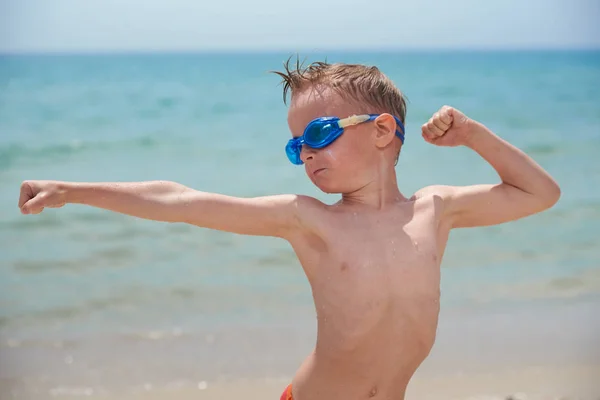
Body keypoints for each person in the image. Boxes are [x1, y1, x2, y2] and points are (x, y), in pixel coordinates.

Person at [18, 59, 561, 400]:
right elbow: (180, 200)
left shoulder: (436, 209)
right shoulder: (311, 221)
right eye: (296, 145)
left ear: (383, 131)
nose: (307, 153)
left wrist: (472, 135)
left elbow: (540, 193)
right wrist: (74, 190)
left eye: (319, 133)